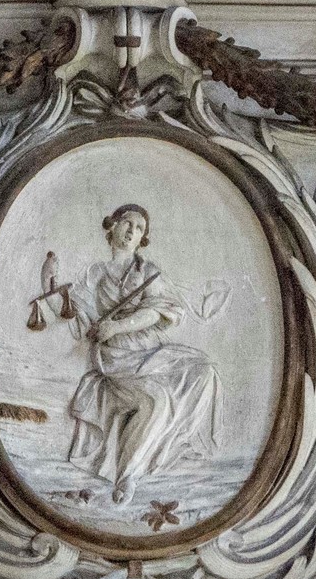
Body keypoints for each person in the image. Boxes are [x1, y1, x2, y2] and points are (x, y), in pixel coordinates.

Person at [64, 204, 222, 505]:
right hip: (117, 357)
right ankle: (128, 476)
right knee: (155, 400)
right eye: (127, 223)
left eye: (139, 229)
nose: (131, 232)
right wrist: (68, 307)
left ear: (142, 238)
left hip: (149, 350)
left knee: (204, 371)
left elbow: (156, 311)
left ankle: (171, 444)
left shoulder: (148, 272)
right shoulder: (96, 272)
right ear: (112, 226)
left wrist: (117, 325)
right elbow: (79, 318)